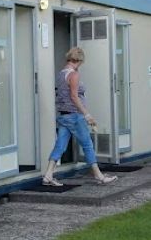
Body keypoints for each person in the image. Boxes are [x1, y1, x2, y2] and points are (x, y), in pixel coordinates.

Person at [43, 46, 118, 186]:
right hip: (74, 116)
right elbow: (74, 96)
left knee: (60, 145)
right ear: (79, 60)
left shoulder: (61, 74)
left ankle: (48, 175)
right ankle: (99, 176)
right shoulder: (74, 75)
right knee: (88, 145)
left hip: (64, 115)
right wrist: (87, 115)